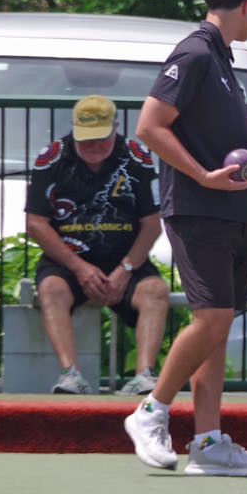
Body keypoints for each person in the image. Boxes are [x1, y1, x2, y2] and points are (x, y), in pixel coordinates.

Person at [123, 0, 247, 476]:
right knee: (212, 320)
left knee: (217, 325)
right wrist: (206, 178)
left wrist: (244, 198)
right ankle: (150, 411)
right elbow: (150, 126)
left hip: (228, 211)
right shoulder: (194, 52)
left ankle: (208, 444)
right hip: (198, 211)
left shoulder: (221, 57)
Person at [25, 94, 169, 395]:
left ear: (115, 128)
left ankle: (144, 375)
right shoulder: (51, 159)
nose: (93, 147)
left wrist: (126, 269)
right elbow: (36, 224)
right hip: (68, 258)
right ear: (73, 128)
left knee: (156, 291)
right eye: (86, 140)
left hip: (125, 258)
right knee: (51, 289)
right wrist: (79, 268)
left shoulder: (137, 158)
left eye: (101, 139)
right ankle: (70, 374)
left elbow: (152, 223)